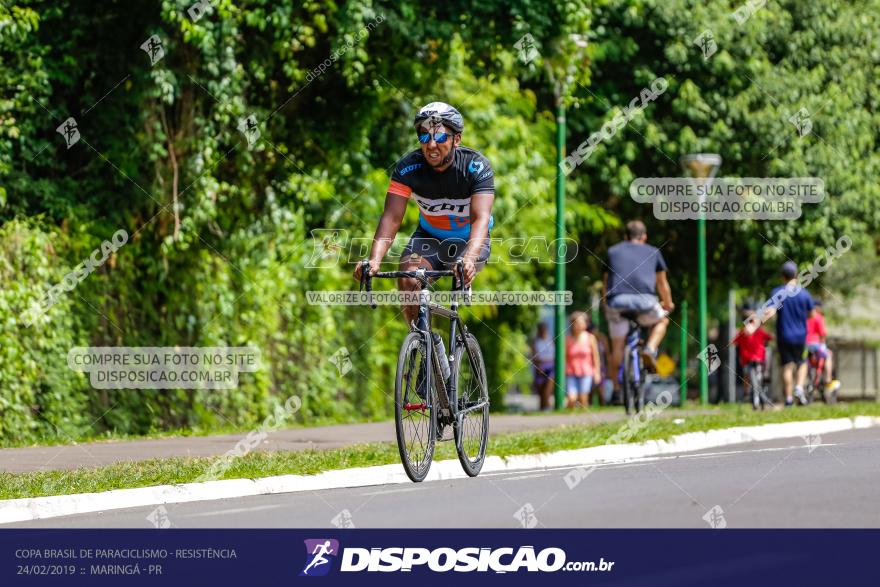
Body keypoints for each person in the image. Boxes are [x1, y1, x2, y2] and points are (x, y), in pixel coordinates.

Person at [354, 102, 495, 328]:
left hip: (470, 240)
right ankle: (420, 339)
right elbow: (391, 217)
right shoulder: (408, 168)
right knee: (408, 278)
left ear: (456, 139)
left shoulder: (475, 166)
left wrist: (469, 258)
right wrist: (374, 259)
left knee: (460, 267)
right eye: (424, 137)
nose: (431, 145)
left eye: (440, 138)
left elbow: (481, 218)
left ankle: (463, 283)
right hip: (429, 237)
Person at [603, 220, 673, 394]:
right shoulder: (653, 251)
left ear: (625, 237)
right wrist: (668, 303)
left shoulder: (612, 252)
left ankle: (617, 390)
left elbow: (606, 284)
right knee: (662, 321)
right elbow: (662, 284)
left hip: (617, 303)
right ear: (644, 237)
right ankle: (649, 349)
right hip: (646, 303)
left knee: (617, 346)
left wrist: (607, 304)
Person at [761, 261, 815, 406]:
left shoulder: (778, 293)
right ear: (796, 275)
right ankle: (799, 387)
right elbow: (812, 314)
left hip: (783, 336)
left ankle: (789, 399)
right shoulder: (804, 293)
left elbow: (770, 312)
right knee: (802, 363)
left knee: (787, 366)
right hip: (800, 336)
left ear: (782, 276)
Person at [733, 305, 774, 409]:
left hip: (758, 360)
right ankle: (749, 394)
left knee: (759, 377)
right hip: (748, 360)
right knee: (749, 377)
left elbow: (770, 337)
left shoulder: (758, 331)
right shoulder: (744, 332)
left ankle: (755, 393)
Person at [806, 300, 841, 400]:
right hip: (815, 345)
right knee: (829, 355)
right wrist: (823, 345)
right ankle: (828, 379)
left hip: (804, 345)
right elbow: (822, 333)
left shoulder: (805, 316)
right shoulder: (818, 317)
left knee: (802, 364)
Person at [565, 312, 601, 408]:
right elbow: (564, 357)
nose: (579, 325)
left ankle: (583, 418)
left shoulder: (590, 338)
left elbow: (595, 356)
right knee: (571, 398)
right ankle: (569, 418)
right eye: (576, 323)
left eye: (581, 323)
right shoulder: (567, 339)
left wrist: (597, 372)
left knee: (583, 398)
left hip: (586, 372)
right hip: (571, 372)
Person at [531, 322, 555, 411]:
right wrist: (538, 366)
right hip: (539, 368)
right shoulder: (535, 341)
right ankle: (543, 409)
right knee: (540, 392)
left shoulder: (551, 340)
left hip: (551, 367)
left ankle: (547, 407)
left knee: (547, 389)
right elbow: (534, 356)